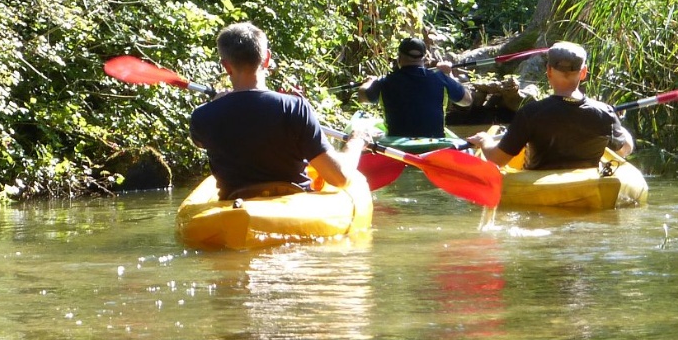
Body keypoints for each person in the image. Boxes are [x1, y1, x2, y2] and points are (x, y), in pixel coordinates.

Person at [190, 22, 370, 198]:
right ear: (267, 59)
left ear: (226, 66)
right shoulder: (296, 108)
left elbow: (201, 141)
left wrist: (218, 103)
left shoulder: (202, 116)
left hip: (232, 210)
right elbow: (340, 178)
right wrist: (357, 141)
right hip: (292, 211)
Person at [469, 41, 634, 169]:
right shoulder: (605, 113)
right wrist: (619, 124)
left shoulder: (529, 113)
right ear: (583, 73)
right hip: (585, 182)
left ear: (548, 71)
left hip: (539, 185)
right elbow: (624, 149)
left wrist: (484, 140)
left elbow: (497, 160)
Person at [359, 37, 473, 138]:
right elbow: (467, 101)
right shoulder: (441, 78)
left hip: (397, 148)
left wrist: (369, 82)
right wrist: (449, 75)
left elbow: (362, 98)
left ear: (399, 58)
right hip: (434, 144)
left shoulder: (384, 81)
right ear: (424, 58)